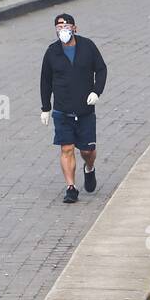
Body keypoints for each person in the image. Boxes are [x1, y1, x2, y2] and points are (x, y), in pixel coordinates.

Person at [40, 13, 108, 204]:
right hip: (62, 110)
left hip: (85, 110)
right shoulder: (52, 52)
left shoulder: (88, 46)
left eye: (67, 26)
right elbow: (45, 80)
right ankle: (71, 187)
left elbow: (101, 69)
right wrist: (46, 107)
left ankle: (89, 167)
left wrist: (96, 91)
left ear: (75, 28)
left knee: (87, 150)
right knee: (67, 148)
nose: (63, 30)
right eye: (59, 27)